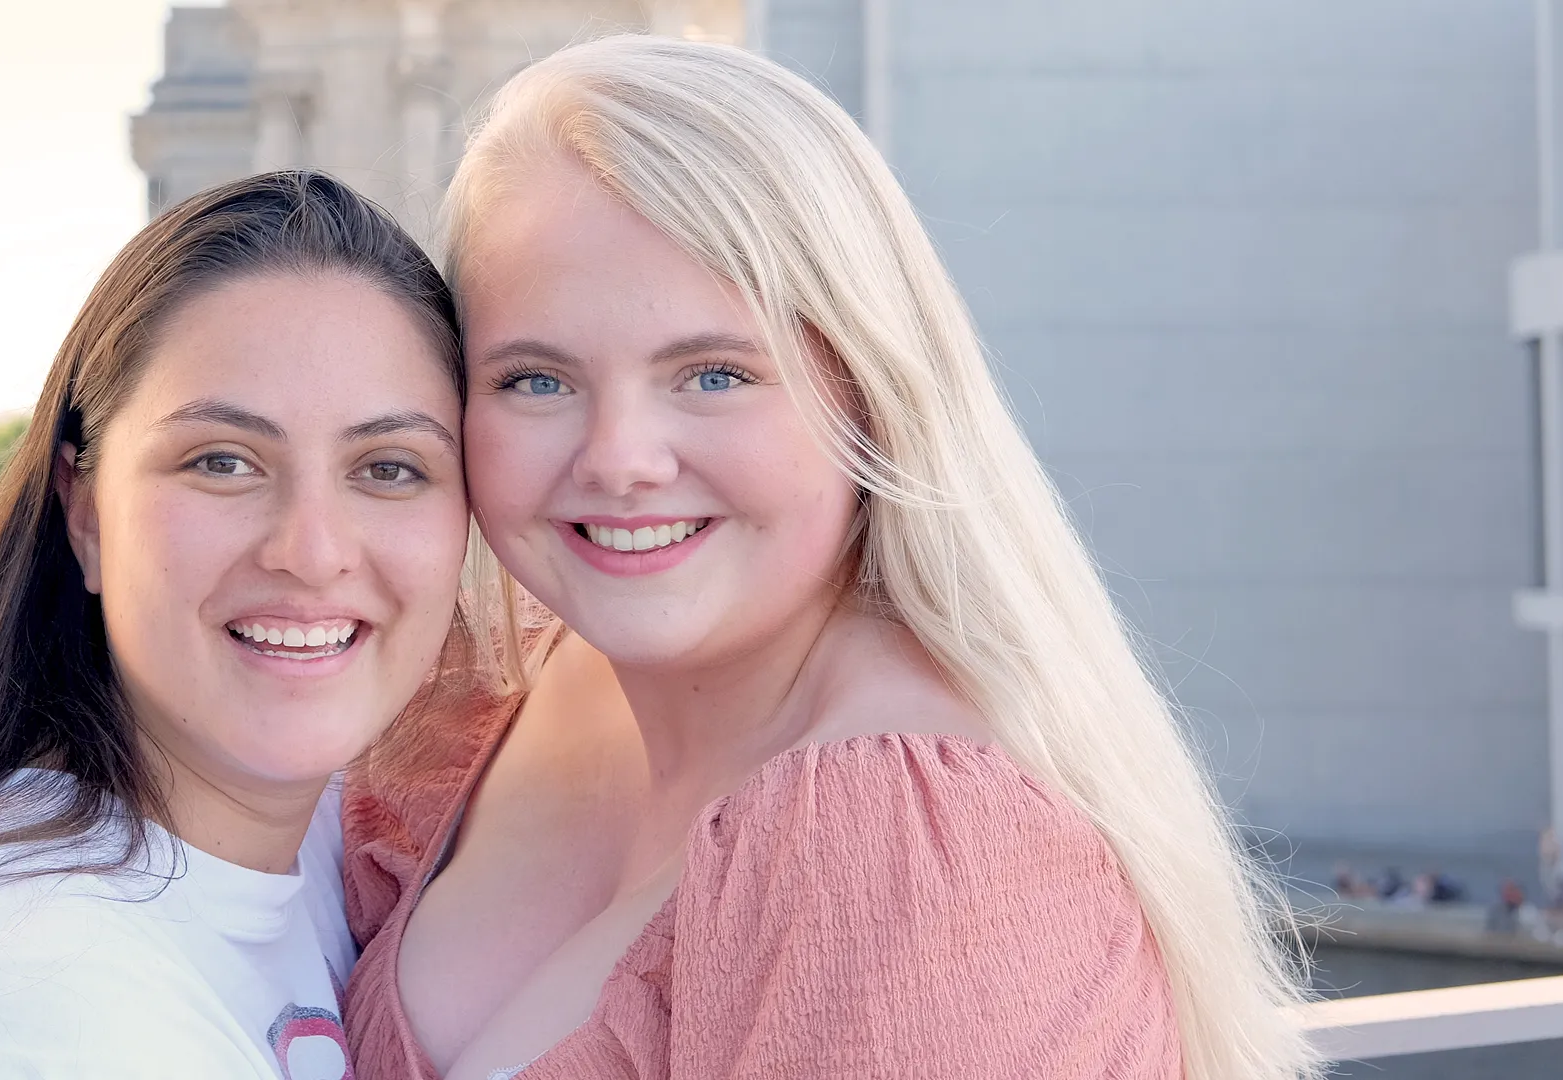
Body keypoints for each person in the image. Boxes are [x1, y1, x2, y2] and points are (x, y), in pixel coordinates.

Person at [341, 35, 1316, 1080]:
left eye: (713, 374)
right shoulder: (481, 699)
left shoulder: (913, 853)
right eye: (536, 380)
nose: (620, 458)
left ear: (866, 390)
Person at [0, 171, 474, 1080]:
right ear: (85, 511)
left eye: (389, 468)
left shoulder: (322, 858)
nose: (312, 549)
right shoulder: (36, 1001)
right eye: (221, 462)